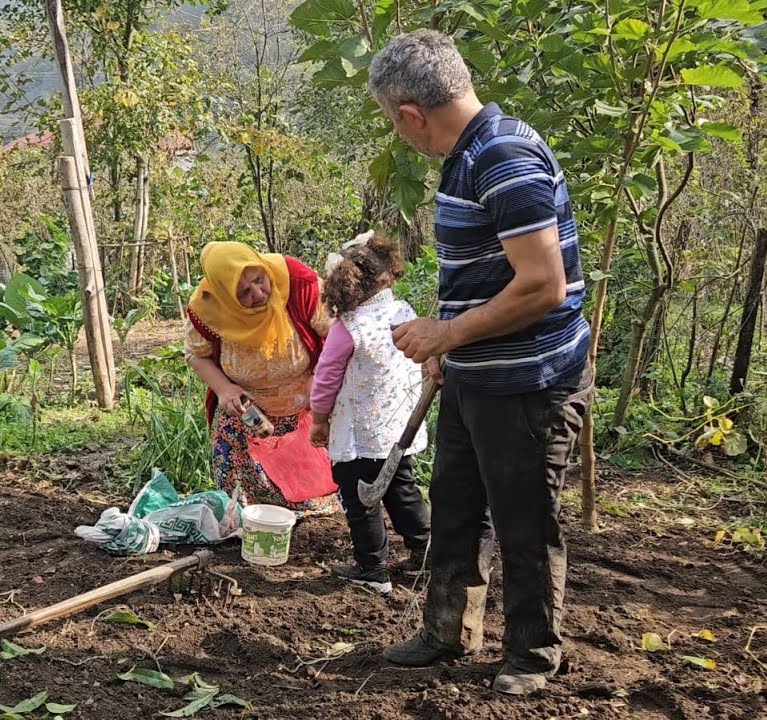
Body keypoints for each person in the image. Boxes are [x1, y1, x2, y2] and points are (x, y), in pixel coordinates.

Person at [367, 30, 594, 695]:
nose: (399, 133)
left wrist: (447, 333)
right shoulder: (470, 154)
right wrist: (451, 346)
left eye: (394, 123)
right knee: (458, 505)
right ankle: (446, 632)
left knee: (524, 520)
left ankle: (532, 655)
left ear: (410, 114)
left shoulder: (502, 157)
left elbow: (543, 285)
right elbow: (484, 272)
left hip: (528, 383)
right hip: (478, 374)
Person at [308, 231, 431, 595]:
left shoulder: (349, 329)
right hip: (398, 427)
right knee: (401, 489)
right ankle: (425, 553)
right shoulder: (403, 312)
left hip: (360, 433)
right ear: (387, 277)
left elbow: (326, 378)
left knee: (361, 498)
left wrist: (318, 419)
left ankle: (372, 568)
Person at [184, 242, 340, 515]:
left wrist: (320, 376)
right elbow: (197, 355)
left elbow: (338, 333)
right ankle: (249, 515)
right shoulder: (207, 308)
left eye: (259, 279)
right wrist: (224, 389)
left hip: (308, 401)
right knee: (241, 497)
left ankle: (308, 508)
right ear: (225, 295)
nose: (258, 293)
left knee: (315, 477)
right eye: (243, 292)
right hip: (248, 409)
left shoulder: (297, 283)